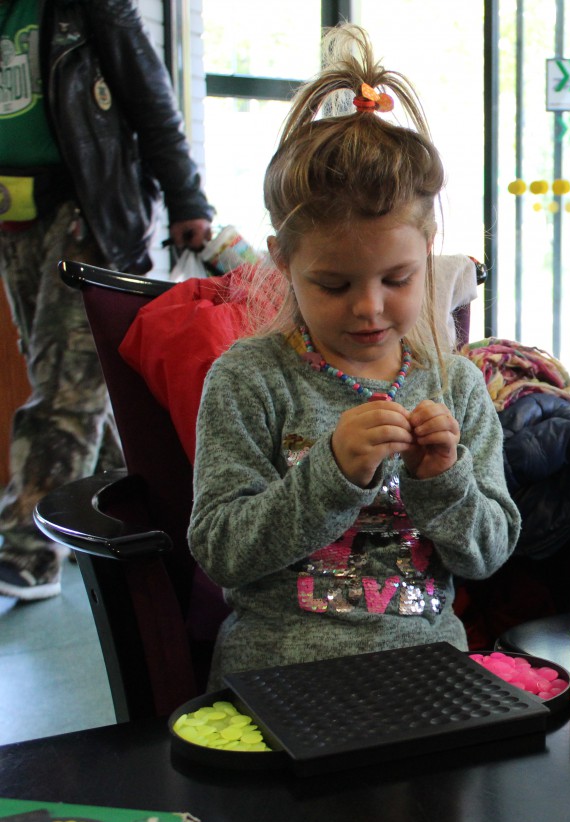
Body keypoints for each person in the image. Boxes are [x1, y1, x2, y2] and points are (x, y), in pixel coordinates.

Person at [187, 24, 519, 685]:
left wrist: (443, 478)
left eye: (397, 279)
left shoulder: (455, 385)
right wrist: (331, 471)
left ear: (428, 256)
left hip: (429, 676)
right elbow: (221, 549)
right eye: (334, 285)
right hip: (282, 678)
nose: (369, 307)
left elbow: (486, 554)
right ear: (283, 262)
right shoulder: (250, 379)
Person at [0, 0, 213, 599]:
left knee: (66, 389)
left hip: (90, 211)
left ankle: (28, 551)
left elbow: (152, 103)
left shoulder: (88, 6)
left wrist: (187, 200)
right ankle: (131, 517)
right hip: (18, 216)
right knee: (72, 381)